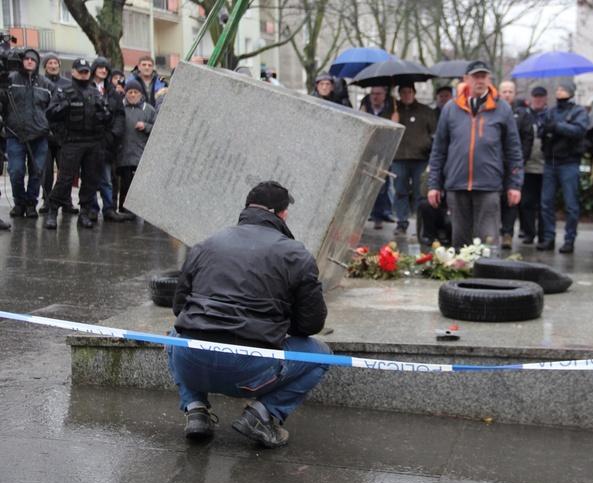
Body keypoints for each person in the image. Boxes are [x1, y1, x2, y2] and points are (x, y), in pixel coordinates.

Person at [167, 181, 331, 448]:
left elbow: (179, 309)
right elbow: (310, 325)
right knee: (320, 354)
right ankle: (262, 414)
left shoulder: (205, 245)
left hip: (191, 364)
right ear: (283, 214)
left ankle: (195, 408)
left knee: (175, 335)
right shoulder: (296, 254)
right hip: (252, 373)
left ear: (246, 209)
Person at [428, 60, 524, 248]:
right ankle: (461, 277)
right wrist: (434, 184)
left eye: (483, 77)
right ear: (466, 79)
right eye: (476, 77)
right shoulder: (451, 108)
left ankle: (488, 276)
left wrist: (514, 184)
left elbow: (513, 150)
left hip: (488, 185)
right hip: (457, 184)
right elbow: (439, 150)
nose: (480, 81)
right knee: (460, 243)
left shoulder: (502, 109)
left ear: (489, 79)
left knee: (488, 243)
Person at [44, 58, 111, 230]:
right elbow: (50, 114)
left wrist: (104, 113)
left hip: (93, 142)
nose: (83, 74)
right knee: (65, 179)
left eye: (86, 71)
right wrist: (63, 108)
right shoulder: (64, 91)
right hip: (72, 141)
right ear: (73, 72)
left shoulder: (95, 93)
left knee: (90, 180)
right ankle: (53, 211)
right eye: (80, 71)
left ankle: (85, 212)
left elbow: (108, 117)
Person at [0, 48, 55, 219]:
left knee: (37, 172)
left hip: (39, 136)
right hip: (15, 135)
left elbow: (54, 109)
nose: (29, 61)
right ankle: (19, 203)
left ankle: (31, 204)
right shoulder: (10, 80)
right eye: (26, 59)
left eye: (33, 59)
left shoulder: (47, 85)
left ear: (37, 62)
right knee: (16, 171)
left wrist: (49, 127)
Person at [537, 80, 589, 253]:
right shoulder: (551, 112)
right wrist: (546, 130)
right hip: (550, 162)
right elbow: (541, 130)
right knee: (546, 204)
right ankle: (548, 238)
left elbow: (579, 130)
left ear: (571, 92)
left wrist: (557, 127)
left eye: (563, 89)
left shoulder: (578, 111)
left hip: (569, 162)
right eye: (558, 89)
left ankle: (569, 240)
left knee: (571, 205)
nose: (559, 92)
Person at [392, 83, 438, 236]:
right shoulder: (393, 111)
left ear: (414, 93)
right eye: (404, 92)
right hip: (400, 157)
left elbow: (434, 133)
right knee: (400, 191)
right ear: (399, 94)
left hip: (420, 158)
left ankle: (421, 224)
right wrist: (393, 121)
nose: (407, 95)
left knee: (420, 192)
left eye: (410, 92)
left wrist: (430, 152)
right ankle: (401, 221)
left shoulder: (426, 111)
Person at [88, 57, 127, 223]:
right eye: (100, 67)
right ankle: (91, 209)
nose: (103, 71)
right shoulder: (86, 88)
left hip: (107, 141)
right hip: (89, 140)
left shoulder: (113, 92)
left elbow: (120, 115)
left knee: (106, 179)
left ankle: (109, 208)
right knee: (90, 178)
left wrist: (114, 133)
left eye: (106, 68)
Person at [40, 52, 79, 215]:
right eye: (50, 63)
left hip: (64, 134)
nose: (53, 66)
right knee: (46, 172)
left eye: (56, 63)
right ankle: (47, 201)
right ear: (45, 66)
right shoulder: (40, 83)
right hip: (45, 133)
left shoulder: (67, 84)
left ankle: (66, 201)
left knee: (66, 171)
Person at [498, 80, 534, 249]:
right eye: (504, 91)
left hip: (513, 165)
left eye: (510, 92)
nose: (507, 95)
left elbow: (527, 140)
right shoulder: (492, 111)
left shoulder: (522, 115)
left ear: (514, 94)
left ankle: (507, 233)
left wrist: (520, 162)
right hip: (494, 165)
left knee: (511, 199)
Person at [116, 80, 157, 213]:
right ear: (125, 94)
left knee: (140, 186)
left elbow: (158, 129)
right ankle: (124, 209)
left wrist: (146, 126)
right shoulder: (120, 108)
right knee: (125, 184)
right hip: (124, 153)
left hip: (141, 154)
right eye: (130, 92)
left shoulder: (149, 110)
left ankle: (140, 211)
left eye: (136, 92)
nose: (133, 95)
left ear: (141, 94)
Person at [360, 86, 398, 229]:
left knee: (382, 186)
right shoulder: (365, 109)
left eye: (378, 94)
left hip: (384, 152)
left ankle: (379, 216)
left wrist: (395, 121)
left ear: (384, 95)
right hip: (368, 151)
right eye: (372, 94)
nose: (375, 97)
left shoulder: (390, 111)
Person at [519, 86, 548, 244]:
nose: (538, 100)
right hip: (528, 166)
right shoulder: (524, 116)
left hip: (546, 167)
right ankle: (529, 233)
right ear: (531, 98)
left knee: (544, 203)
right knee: (527, 202)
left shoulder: (549, 115)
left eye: (541, 97)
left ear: (546, 98)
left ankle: (544, 235)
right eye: (536, 96)